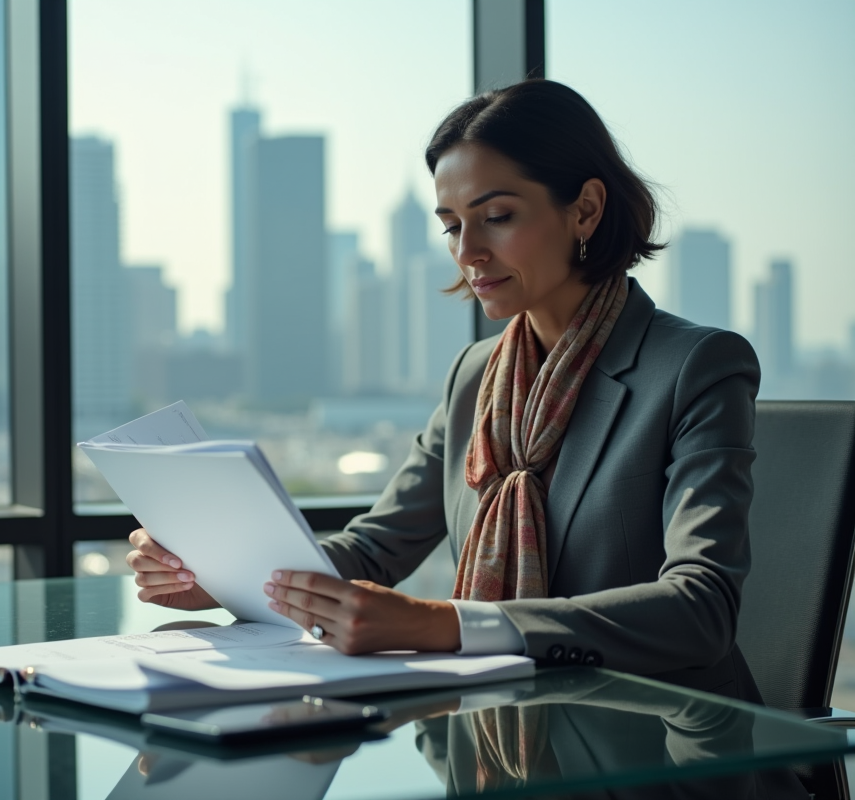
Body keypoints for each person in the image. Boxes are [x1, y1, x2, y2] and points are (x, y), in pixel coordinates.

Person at [126, 79, 763, 702]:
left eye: (498, 217)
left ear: (586, 210)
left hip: (665, 741)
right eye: (452, 226)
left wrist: (444, 624)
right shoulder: (475, 377)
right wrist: (222, 580)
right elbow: (376, 547)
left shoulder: (694, 366)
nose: (470, 251)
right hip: (503, 727)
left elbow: (699, 608)